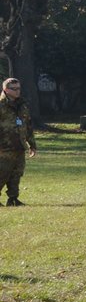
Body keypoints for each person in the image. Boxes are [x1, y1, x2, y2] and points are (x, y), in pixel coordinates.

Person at [0, 77, 37, 206]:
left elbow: (28, 125)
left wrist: (32, 144)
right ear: (5, 89)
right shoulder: (1, 105)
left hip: (19, 146)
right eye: (13, 89)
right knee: (2, 173)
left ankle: (13, 199)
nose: (17, 91)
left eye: (18, 88)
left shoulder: (22, 105)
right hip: (3, 147)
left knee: (16, 174)